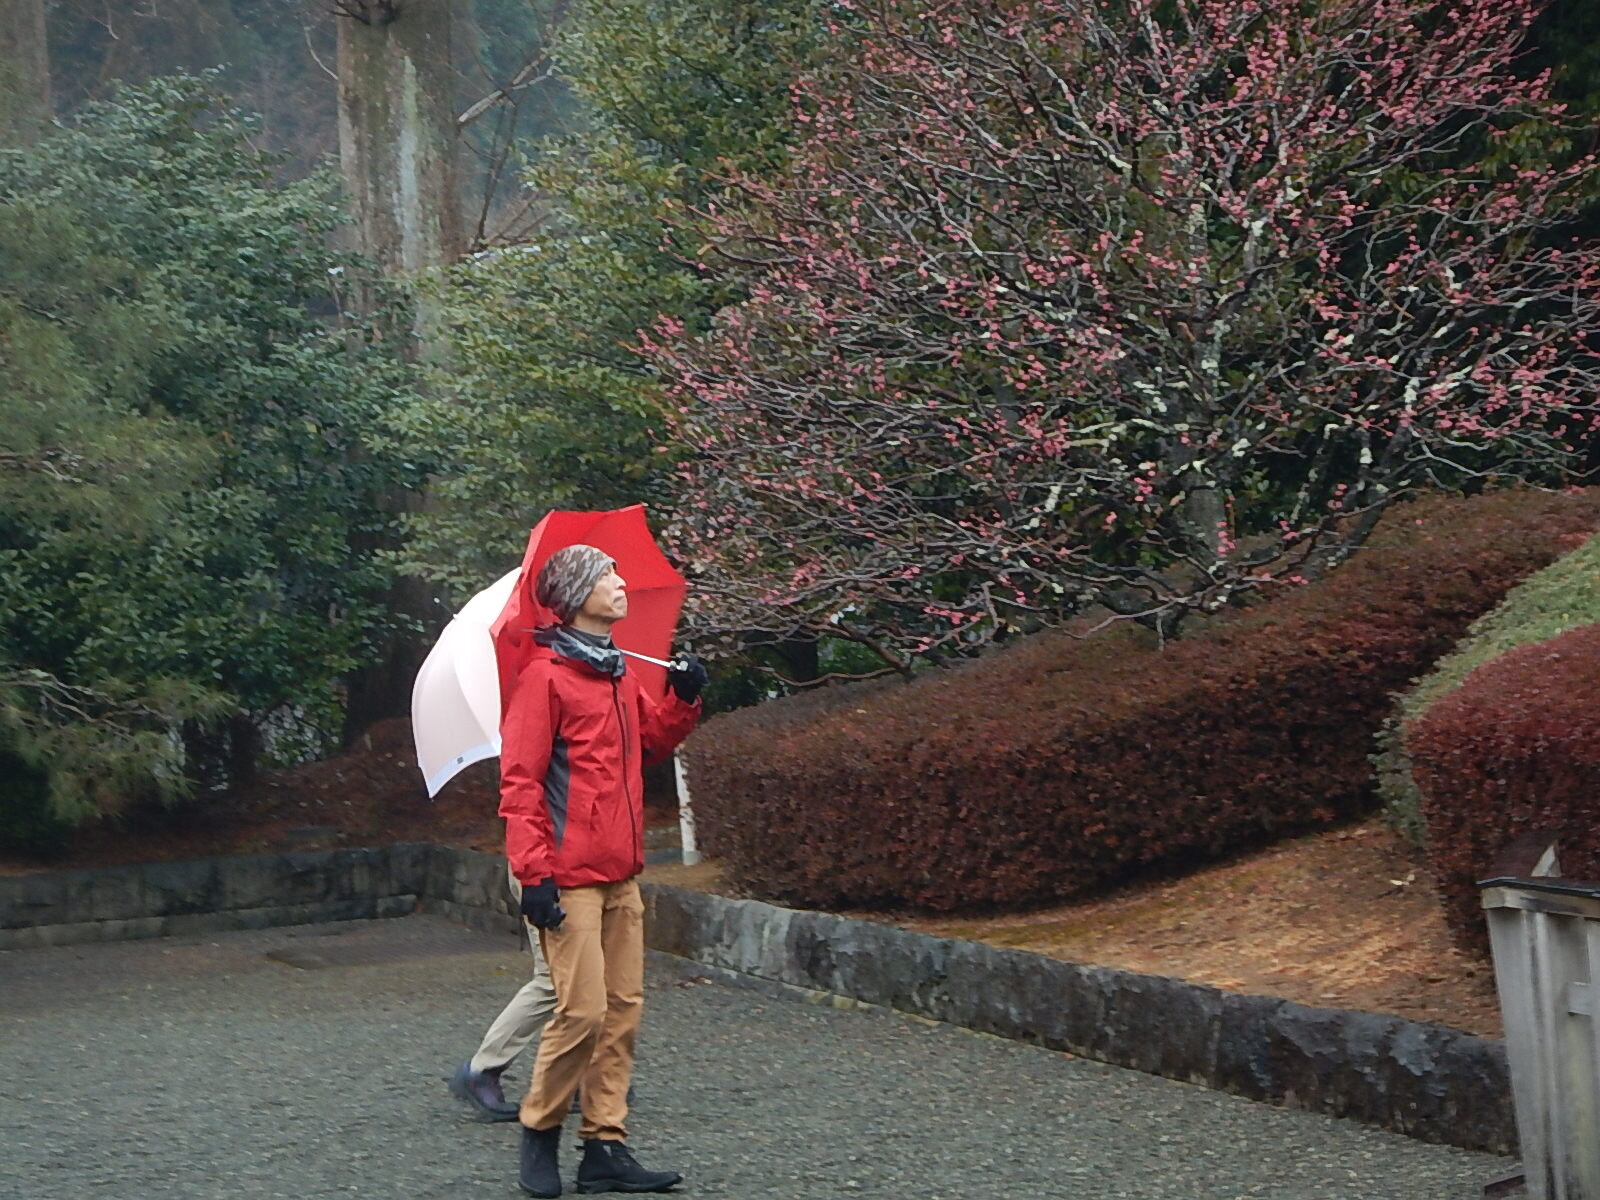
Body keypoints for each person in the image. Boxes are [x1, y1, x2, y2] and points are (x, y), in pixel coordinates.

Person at [501, 544, 706, 1197]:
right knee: (582, 1012)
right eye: (607, 576)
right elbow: (520, 784)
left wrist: (682, 698)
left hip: (622, 871)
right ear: (575, 595)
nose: (621, 584)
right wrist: (534, 874)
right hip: (567, 876)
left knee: (622, 1012)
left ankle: (605, 1147)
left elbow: (652, 742)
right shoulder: (545, 678)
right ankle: (539, 1128)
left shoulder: (618, 672)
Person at [447, 864, 556, 1122]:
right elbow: (526, 836)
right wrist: (536, 876)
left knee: (589, 976)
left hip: (586, 871)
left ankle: (577, 1074)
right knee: (553, 980)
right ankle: (482, 1070)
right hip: (548, 869)